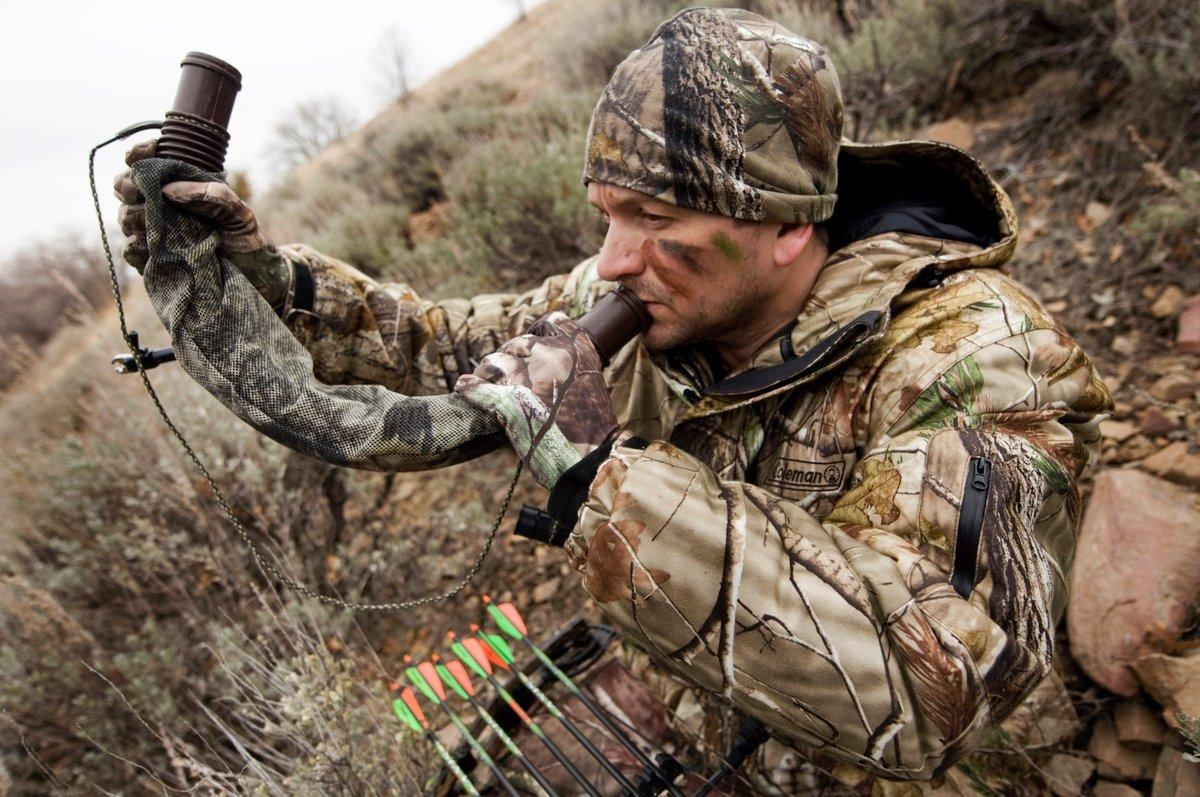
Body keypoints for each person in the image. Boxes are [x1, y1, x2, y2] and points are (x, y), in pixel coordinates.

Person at [115, 7, 1110, 791]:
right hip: (710, 720)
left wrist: (599, 470)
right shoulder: (647, 294)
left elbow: (938, 687)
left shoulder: (975, 355)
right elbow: (444, 342)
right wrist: (270, 278)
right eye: (607, 215)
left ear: (787, 225)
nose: (612, 261)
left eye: (655, 217)